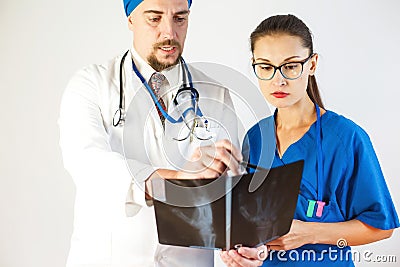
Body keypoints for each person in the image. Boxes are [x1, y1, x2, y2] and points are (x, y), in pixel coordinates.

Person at [59, 0, 245, 266]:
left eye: (180, 18)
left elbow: (229, 193)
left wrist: (244, 243)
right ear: (130, 19)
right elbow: (88, 163)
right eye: (154, 19)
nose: (169, 33)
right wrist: (179, 180)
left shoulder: (215, 93)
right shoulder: (91, 85)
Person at [221, 14, 399, 266]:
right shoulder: (256, 138)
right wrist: (247, 252)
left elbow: (381, 228)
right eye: (265, 67)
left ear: (312, 65)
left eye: (291, 66)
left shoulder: (346, 139)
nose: (278, 80)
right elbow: (253, 225)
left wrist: (311, 233)